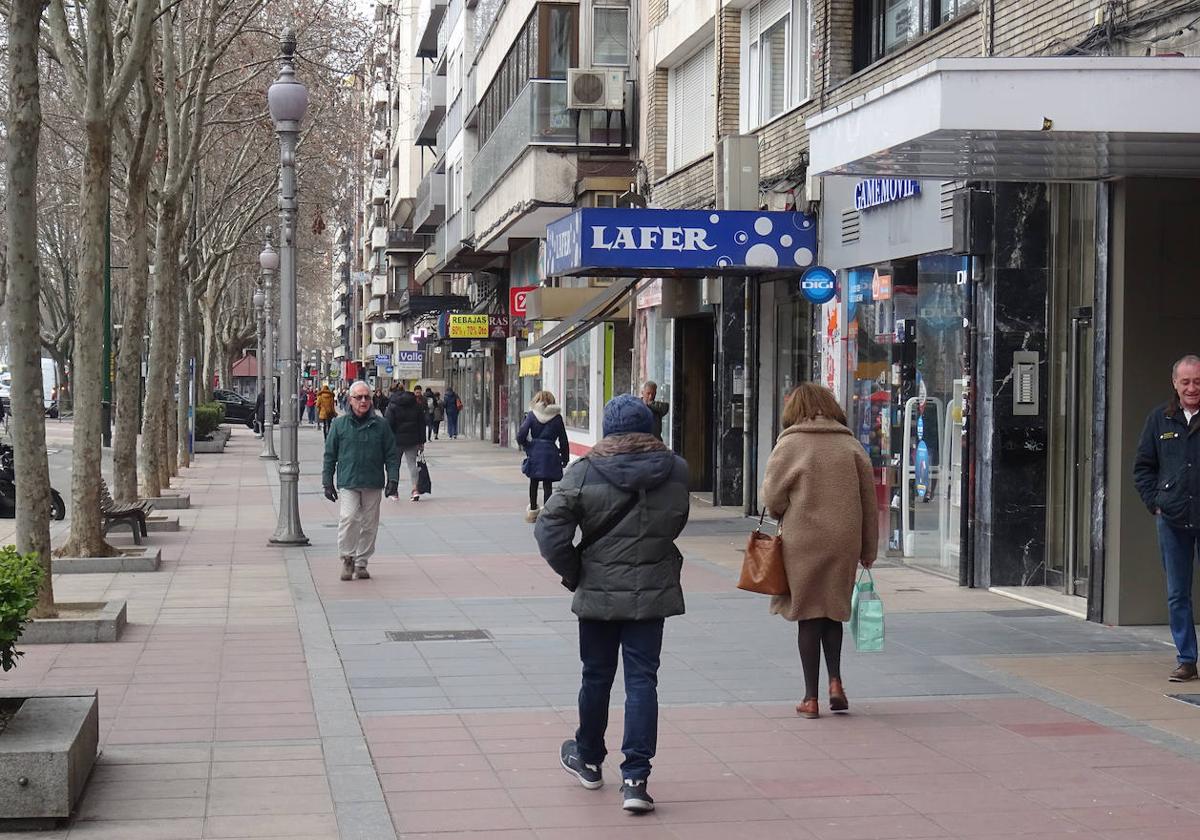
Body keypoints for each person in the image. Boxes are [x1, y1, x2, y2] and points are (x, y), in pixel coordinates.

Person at [534, 395, 690, 814]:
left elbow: (549, 528)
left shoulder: (584, 471)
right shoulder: (675, 470)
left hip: (598, 592)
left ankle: (587, 759)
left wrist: (574, 570)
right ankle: (636, 779)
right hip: (652, 590)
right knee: (643, 681)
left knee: (597, 676)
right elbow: (677, 520)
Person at [760, 383, 877, 719]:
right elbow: (869, 502)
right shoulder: (850, 444)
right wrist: (868, 548)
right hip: (844, 541)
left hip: (802, 541)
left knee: (808, 614)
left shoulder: (790, 444)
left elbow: (772, 499)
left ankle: (810, 698)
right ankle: (836, 683)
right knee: (833, 611)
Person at [1134, 354, 1200, 682]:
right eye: (1185, 381)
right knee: (1178, 593)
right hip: (1172, 520)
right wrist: (1155, 502)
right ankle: (1187, 660)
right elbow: (1143, 467)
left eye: (1197, 381)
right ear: (1175, 383)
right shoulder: (1159, 419)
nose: (1191, 387)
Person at [322, 381, 400, 581]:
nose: (363, 401)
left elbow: (392, 454)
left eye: (367, 397)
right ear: (350, 400)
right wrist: (327, 482)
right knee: (348, 518)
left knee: (369, 523)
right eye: (359, 397)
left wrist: (393, 479)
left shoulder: (381, 425)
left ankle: (361, 562)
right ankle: (348, 557)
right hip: (349, 480)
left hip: (373, 481)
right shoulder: (339, 424)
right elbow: (330, 455)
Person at [517, 391, 570, 522]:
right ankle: (547, 513)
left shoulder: (532, 415)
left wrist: (528, 446)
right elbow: (563, 440)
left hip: (535, 451)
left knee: (533, 482)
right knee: (547, 484)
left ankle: (533, 511)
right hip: (551, 452)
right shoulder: (557, 417)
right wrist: (565, 458)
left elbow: (521, 435)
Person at [384, 383, 427, 501]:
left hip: (396, 441)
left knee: (394, 466)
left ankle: (394, 491)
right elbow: (421, 424)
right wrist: (421, 441)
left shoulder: (392, 405)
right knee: (412, 465)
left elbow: (388, 424)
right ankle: (415, 490)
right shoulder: (416, 404)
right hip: (412, 440)